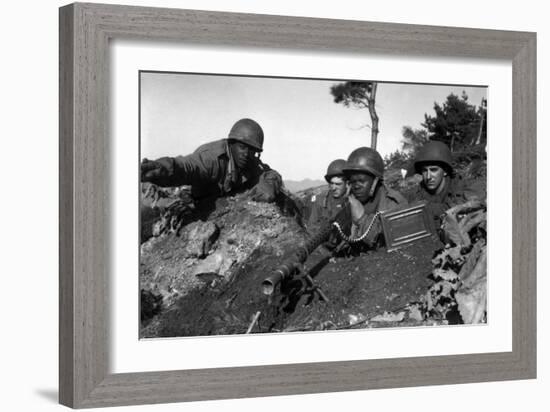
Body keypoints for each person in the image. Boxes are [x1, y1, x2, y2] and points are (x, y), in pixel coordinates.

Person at [140, 118, 282, 239]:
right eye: (242, 147)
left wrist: (269, 184)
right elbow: (187, 166)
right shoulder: (211, 158)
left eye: (252, 151)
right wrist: (163, 168)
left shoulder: (249, 161)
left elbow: (270, 173)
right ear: (231, 143)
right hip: (188, 199)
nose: (246, 154)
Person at [342, 147, 408, 250]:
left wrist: (362, 220)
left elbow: (388, 242)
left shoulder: (394, 203)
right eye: (353, 181)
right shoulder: (350, 202)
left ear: (375, 181)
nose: (356, 186)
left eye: (361, 180)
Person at [412, 141, 479, 228]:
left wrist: (426, 210)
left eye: (433, 170)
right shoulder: (418, 194)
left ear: (445, 171)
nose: (428, 176)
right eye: (425, 170)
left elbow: (462, 206)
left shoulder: (461, 187)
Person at [306, 159, 349, 231]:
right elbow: (311, 227)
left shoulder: (353, 202)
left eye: (338, 184)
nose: (334, 188)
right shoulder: (321, 200)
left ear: (347, 184)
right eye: (332, 183)